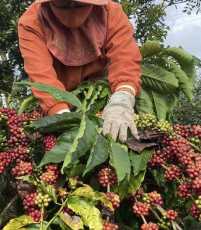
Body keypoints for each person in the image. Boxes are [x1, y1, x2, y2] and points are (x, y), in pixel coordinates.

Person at [18, 0, 142, 143]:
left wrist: (122, 97)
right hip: (58, 94)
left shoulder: (111, 13)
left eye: (80, 5)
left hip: (101, 90)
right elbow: (40, 74)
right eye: (63, 4)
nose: (72, 10)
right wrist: (63, 117)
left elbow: (125, 58)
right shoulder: (32, 22)